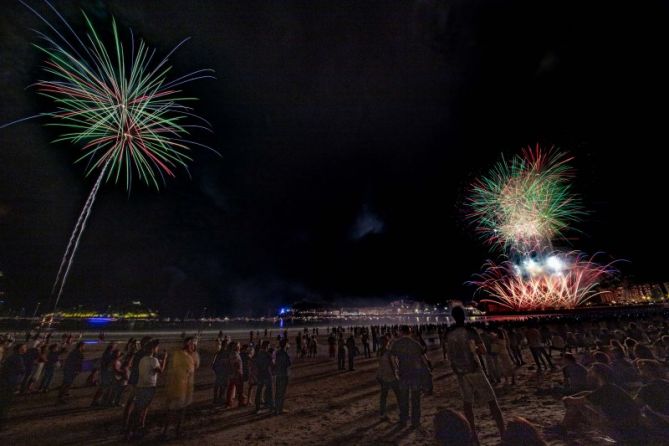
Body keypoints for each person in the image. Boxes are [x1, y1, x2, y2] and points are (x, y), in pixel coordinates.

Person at [447, 306, 505, 443]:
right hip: (474, 368)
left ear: (453, 317)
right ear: (464, 316)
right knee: (491, 400)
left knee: (467, 403)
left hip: (460, 371)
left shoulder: (448, 333)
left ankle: (473, 435)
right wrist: (477, 350)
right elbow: (482, 350)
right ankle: (503, 432)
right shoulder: (470, 331)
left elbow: (449, 353)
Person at [126, 340, 167, 440]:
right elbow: (161, 371)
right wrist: (165, 359)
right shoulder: (154, 360)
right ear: (153, 349)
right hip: (149, 387)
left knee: (137, 409)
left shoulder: (143, 359)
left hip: (141, 386)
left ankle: (130, 430)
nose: (158, 349)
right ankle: (136, 430)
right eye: (156, 347)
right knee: (142, 409)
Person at [390, 325, 425, 429]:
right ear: (409, 332)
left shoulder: (397, 343)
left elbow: (392, 357)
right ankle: (415, 421)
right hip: (415, 374)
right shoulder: (414, 343)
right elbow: (422, 357)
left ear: (401, 332)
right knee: (415, 399)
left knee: (403, 399)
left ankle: (403, 420)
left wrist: (395, 369)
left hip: (403, 374)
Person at [163, 337, 198, 438]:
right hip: (177, 387)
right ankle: (166, 431)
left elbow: (194, 367)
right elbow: (176, 371)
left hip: (186, 388)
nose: (194, 347)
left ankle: (178, 430)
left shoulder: (190, 356)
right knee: (172, 411)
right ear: (188, 344)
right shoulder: (179, 355)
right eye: (193, 345)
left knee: (181, 411)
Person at [0, 344, 27, 429]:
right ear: (19, 349)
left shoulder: (12, 356)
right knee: (6, 402)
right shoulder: (18, 358)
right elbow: (22, 370)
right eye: (24, 348)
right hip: (10, 382)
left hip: (6, 381)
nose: (25, 349)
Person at [376, 337, 400, 421]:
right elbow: (394, 365)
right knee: (399, 395)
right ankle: (402, 413)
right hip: (391, 377)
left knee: (383, 396)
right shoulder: (389, 353)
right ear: (387, 343)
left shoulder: (379, 352)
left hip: (383, 377)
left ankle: (382, 414)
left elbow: (380, 365)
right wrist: (397, 375)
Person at [254, 340, 274, 413]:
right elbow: (272, 364)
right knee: (269, 390)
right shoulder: (268, 355)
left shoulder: (258, 354)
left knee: (259, 390)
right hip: (267, 374)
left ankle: (257, 407)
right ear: (267, 346)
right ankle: (270, 405)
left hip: (260, 374)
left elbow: (256, 364)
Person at [274, 339, 291, 415]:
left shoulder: (277, 353)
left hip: (278, 374)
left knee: (278, 392)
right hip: (284, 374)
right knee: (282, 392)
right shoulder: (285, 353)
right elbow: (288, 364)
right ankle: (280, 409)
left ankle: (277, 408)